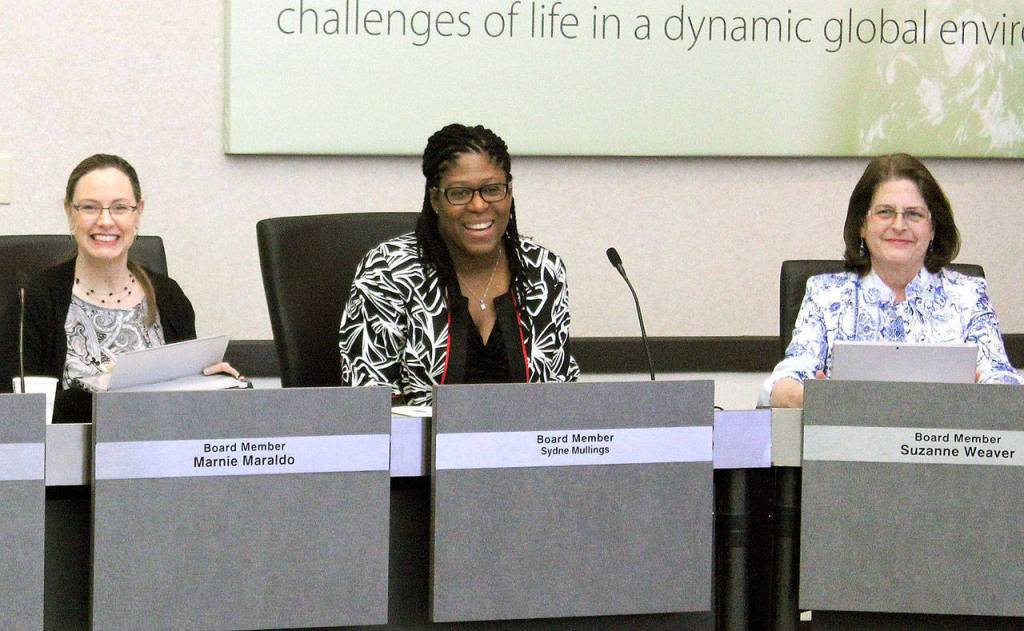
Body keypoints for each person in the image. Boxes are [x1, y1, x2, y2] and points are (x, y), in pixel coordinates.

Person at [339, 123, 579, 405]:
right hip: (420, 435)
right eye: (460, 192)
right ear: (435, 199)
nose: (478, 205)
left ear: (509, 193)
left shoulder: (542, 271)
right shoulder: (389, 272)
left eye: (492, 189)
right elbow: (369, 403)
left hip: (524, 435)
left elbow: (561, 396)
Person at [763, 153, 1021, 408]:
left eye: (914, 214)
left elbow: (1001, 377)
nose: (899, 225)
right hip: (847, 434)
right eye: (885, 212)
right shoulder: (826, 294)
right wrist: (816, 398)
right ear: (862, 225)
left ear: (932, 228)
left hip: (945, 435)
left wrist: (987, 397)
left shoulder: (968, 295)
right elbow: (785, 382)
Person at [0, 154, 240, 420]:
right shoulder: (33, 300)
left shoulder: (169, 296)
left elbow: (187, 406)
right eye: (89, 207)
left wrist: (217, 386)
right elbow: (16, 414)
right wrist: (107, 390)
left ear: (138, 212)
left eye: (120, 208)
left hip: (160, 444)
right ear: (69, 212)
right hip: (67, 446)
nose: (105, 221)